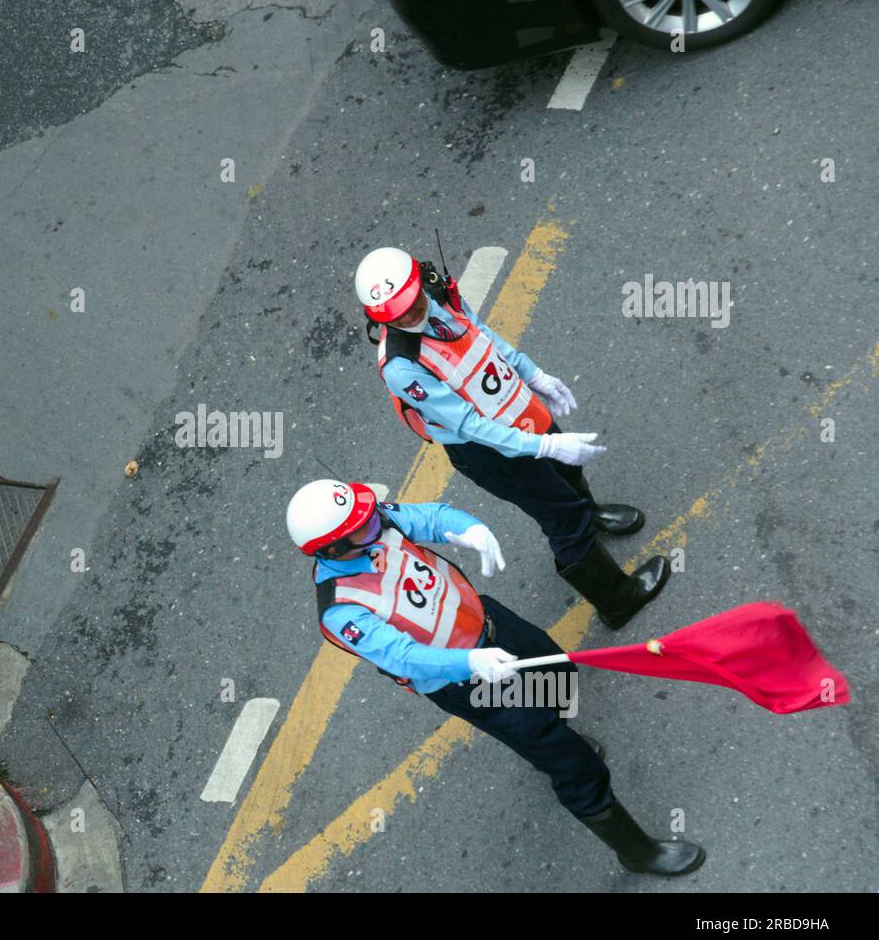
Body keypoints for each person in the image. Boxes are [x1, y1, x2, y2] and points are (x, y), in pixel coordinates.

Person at [287, 477, 705, 875]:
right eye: (364, 527)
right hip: (467, 681)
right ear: (333, 548)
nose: (378, 523)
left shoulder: (373, 523)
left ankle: (552, 734)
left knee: (557, 671)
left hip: (491, 625)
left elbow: (429, 517)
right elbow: (406, 658)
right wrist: (468, 663)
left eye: (372, 516)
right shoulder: (343, 612)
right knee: (572, 764)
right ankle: (636, 850)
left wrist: (469, 528)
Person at [354, 246, 670, 630]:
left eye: (412, 302)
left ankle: (592, 513)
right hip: (487, 450)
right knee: (560, 516)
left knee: (567, 474)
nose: (410, 314)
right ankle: (617, 600)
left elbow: (482, 335)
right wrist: (544, 445)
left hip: (516, 406)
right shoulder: (401, 367)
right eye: (397, 314)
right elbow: (469, 426)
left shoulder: (437, 292)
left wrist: (534, 375)